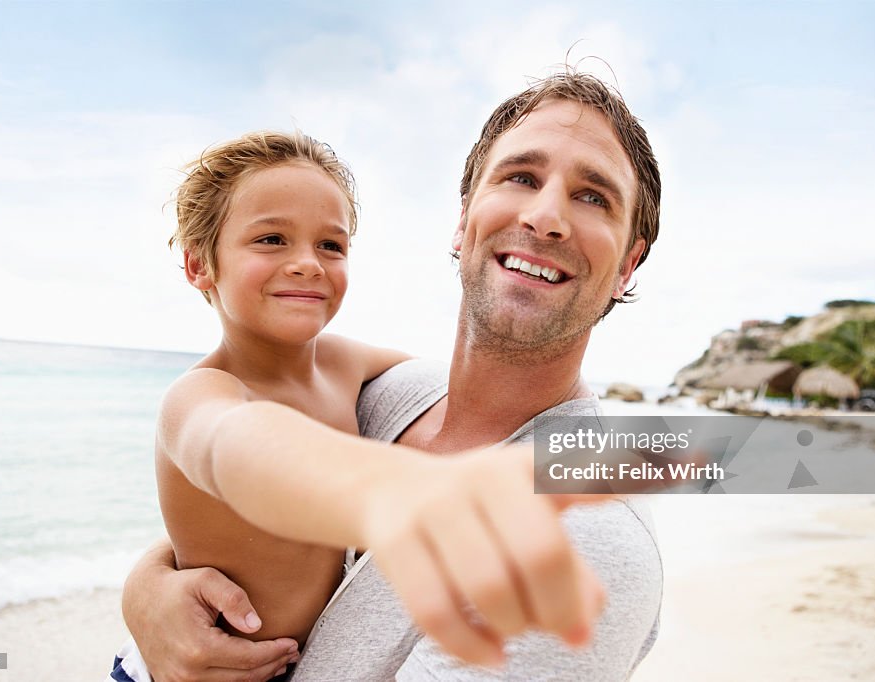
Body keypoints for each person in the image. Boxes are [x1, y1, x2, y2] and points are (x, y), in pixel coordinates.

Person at [119, 69, 664, 682]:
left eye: (594, 196)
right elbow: (235, 452)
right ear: (463, 222)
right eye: (520, 177)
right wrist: (147, 588)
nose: (546, 216)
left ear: (628, 265)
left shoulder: (589, 544)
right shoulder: (392, 397)